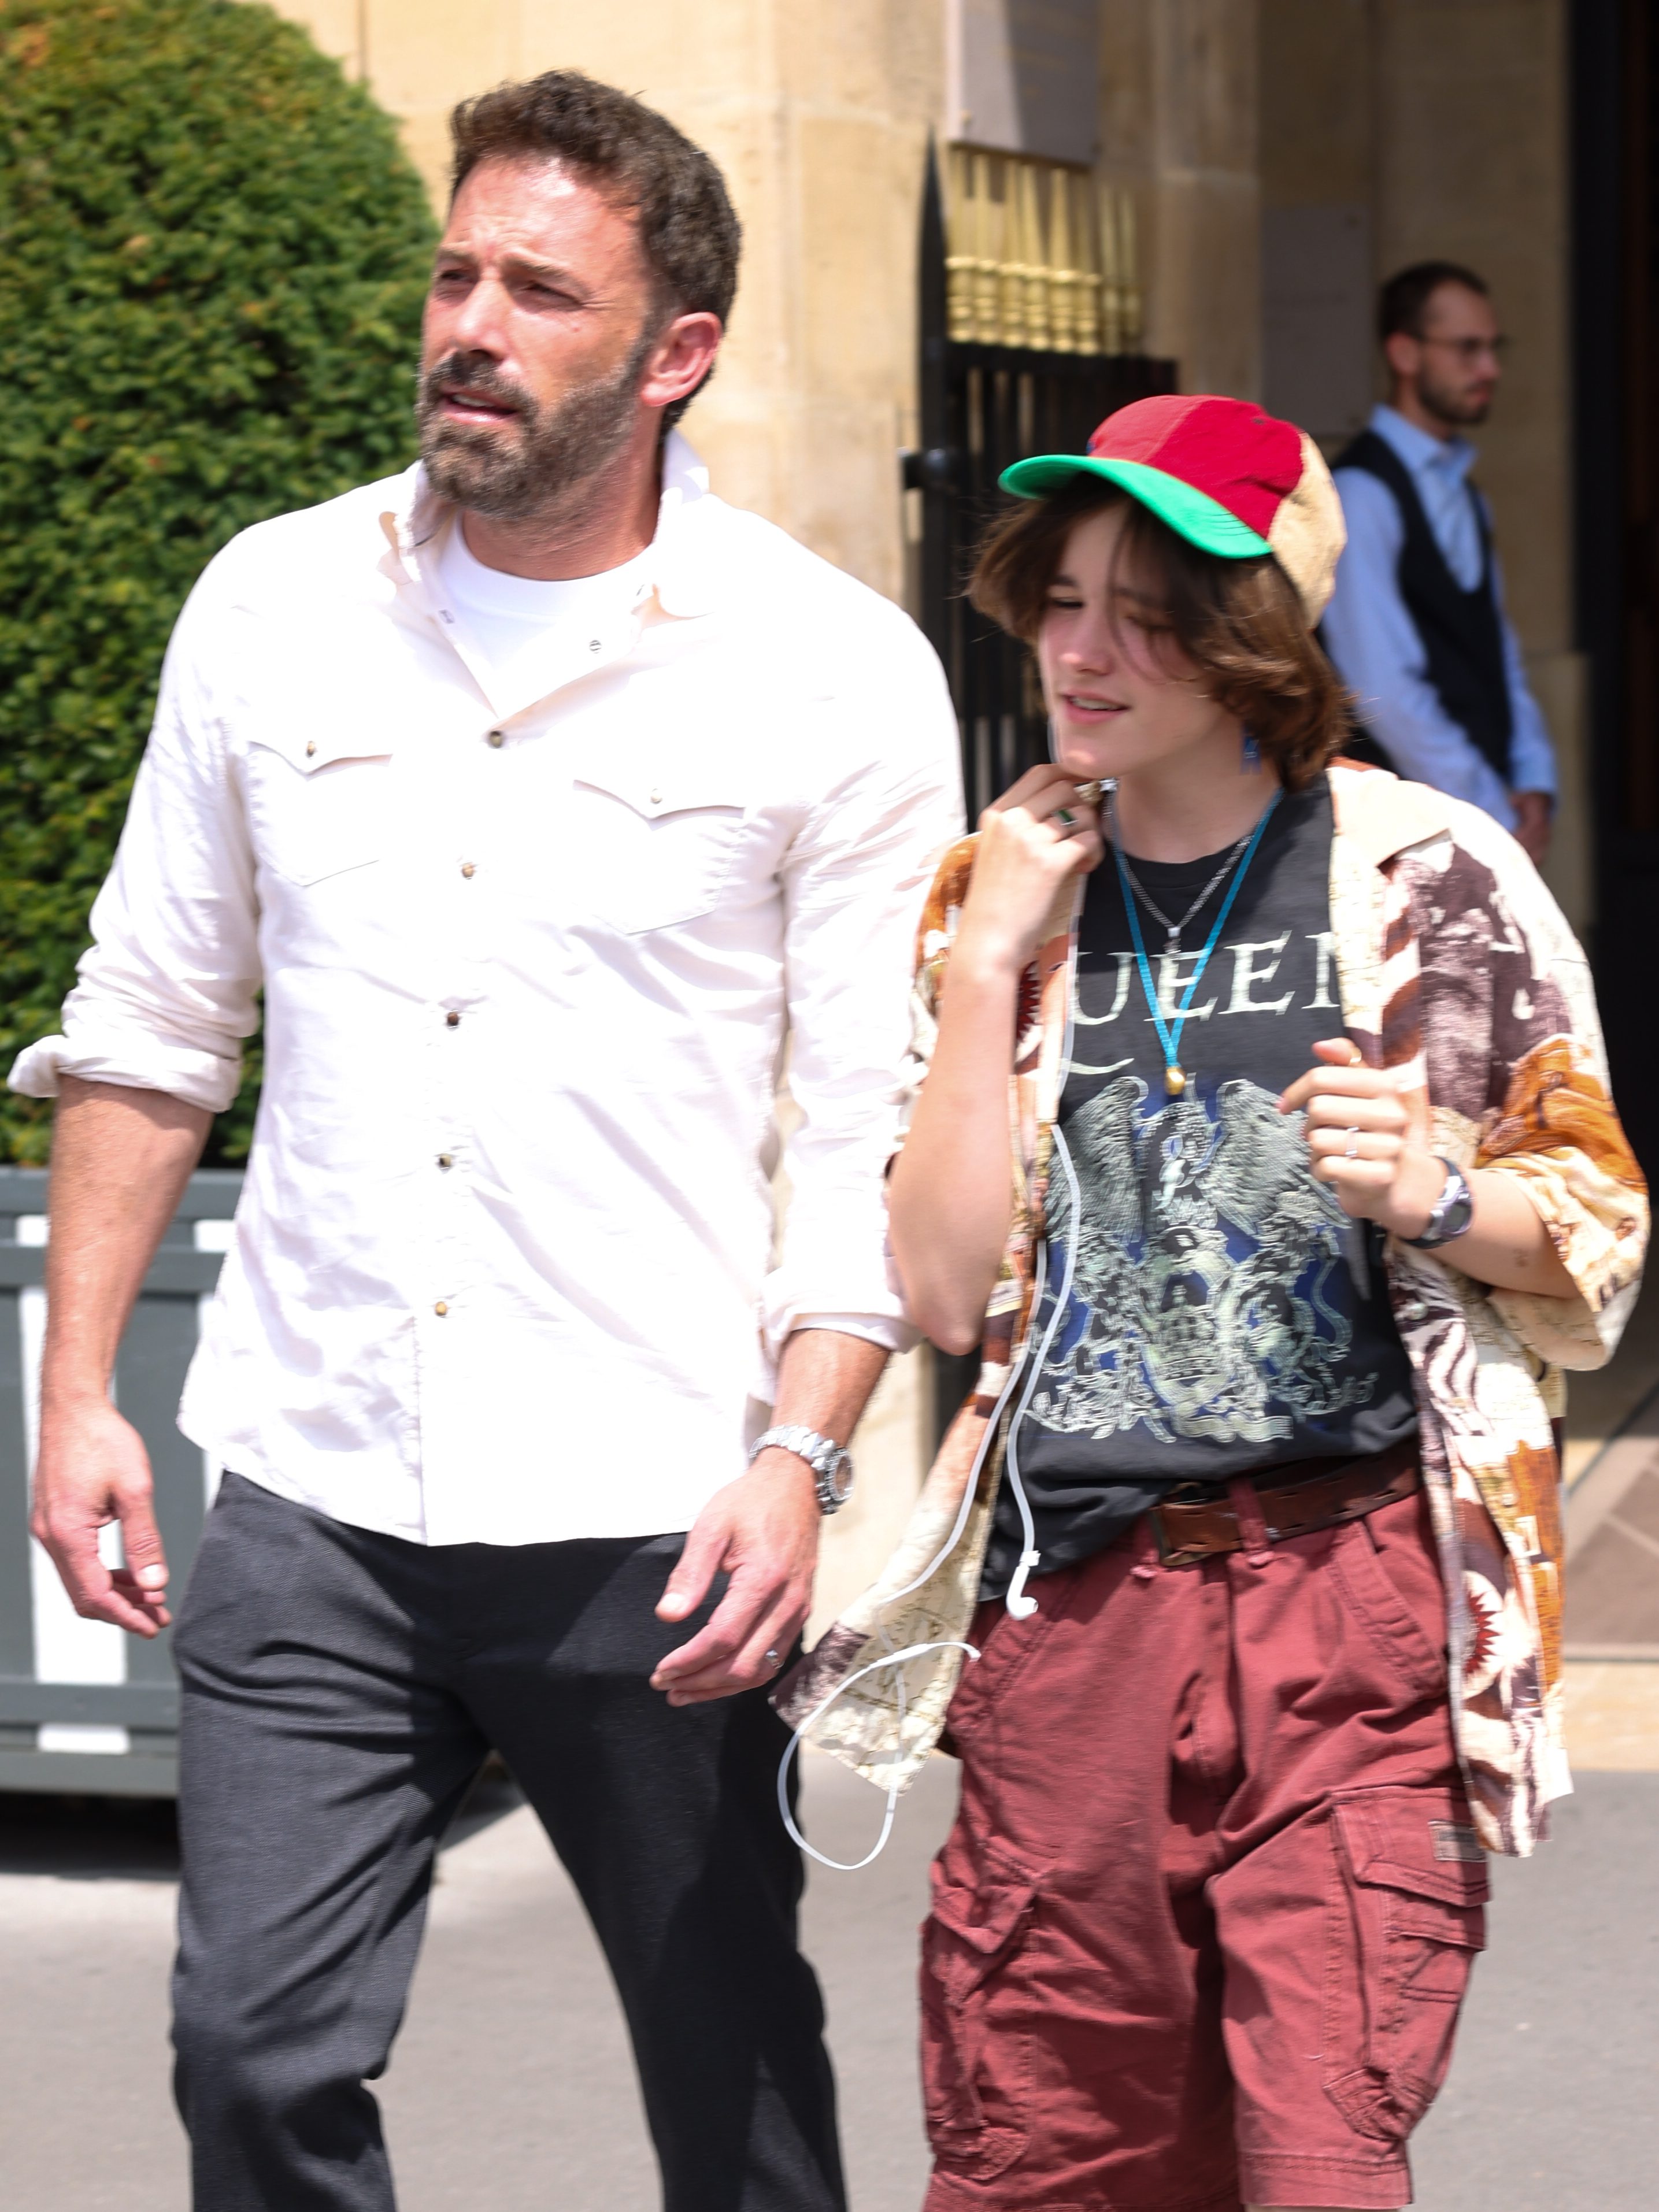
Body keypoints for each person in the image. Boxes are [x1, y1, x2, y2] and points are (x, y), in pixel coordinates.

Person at [14, 71, 961, 2212]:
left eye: (540, 290)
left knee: (728, 2084)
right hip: (318, 1478)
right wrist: (76, 1389)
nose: (471, 322)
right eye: (457, 271)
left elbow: (863, 1119)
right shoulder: (270, 602)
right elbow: (153, 1025)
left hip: (657, 1504)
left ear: (673, 351)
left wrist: (799, 1451)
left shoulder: (829, 673)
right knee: (250, 2054)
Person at [779, 394, 1646, 2212]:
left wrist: (1434, 1188)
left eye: (1142, 608)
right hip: (1072, 1619)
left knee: (1319, 2162)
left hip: (1346, 1613)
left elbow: (1596, 1228)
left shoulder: (1425, 880)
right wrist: (984, 974)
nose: (1080, 650)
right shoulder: (990, 894)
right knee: (1049, 2165)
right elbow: (938, 1291)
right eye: (1058, 595)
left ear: (1247, 635)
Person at [1322, 261, 1557, 865]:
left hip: (1473, 820)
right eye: (1466, 349)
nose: (1489, 369)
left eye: (1491, 348)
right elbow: (1382, 690)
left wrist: (1532, 777)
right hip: (1399, 836)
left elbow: (1494, 647)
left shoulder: (1465, 492)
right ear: (1403, 352)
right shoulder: (1360, 493)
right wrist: (1490, 811)